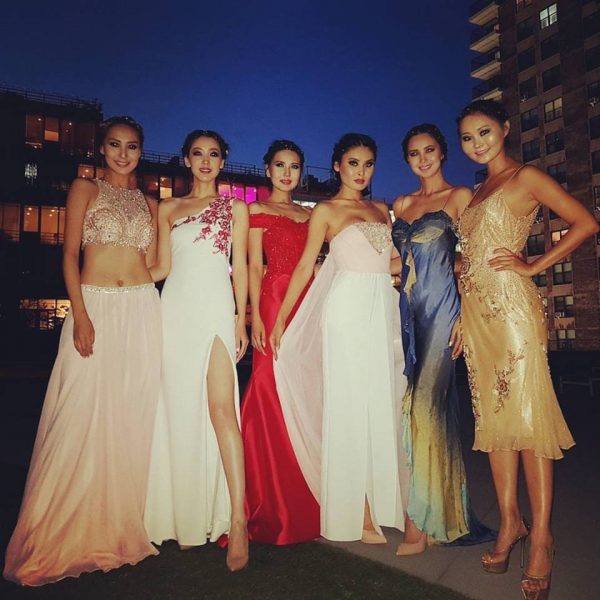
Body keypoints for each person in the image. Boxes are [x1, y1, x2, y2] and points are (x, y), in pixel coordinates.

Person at [4, 116, 161, 586]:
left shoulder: (151, 203)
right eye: (114, 145)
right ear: (101, 149)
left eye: (131, 146)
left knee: (131, 413)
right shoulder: (84, 189)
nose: (123, 154)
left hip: (142, 309)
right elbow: (68, 255)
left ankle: (123, 519)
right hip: (95, 306)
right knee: (79, 411)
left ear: (141, 151)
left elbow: (155, 265)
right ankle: (65, 526)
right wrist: (82, 313)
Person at [457, 99, 599, 600]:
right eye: (468, 138)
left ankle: (541, 538)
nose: (477, 144)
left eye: (484, 132)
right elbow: (470, 257)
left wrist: (534, 265)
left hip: (513, 312)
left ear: (505, 128)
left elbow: (585, 222)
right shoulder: (478, 192)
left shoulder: (526, 176)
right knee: (495, 422)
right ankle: (509, 522)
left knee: (529, 419)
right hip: (476, 318)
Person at [270, 133, 408, 544]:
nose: (361, 172)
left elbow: (391, 262)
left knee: (383, 401)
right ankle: (359, 511)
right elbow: (304, 267)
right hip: (346, 311)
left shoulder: (381, 209)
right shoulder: (326, 210)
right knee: (349, 406)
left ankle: (384, 502)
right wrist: (280, 320)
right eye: (353, 163)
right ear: (337, 166)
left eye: (368, 164)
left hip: (382, 308)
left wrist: (431, 261)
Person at [143, 130, 249, 571]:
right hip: (174, 313)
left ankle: (238, 520)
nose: (206, 161)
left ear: (223, 161)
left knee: (222, 410)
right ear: (186, 160)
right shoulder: (167, 208)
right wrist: (110, 274)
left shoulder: (235, 207)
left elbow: (240, 266)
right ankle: (188, 519)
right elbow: (160, 267)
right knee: (180, 411)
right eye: (198, 154)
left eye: (214, 154)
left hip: (216, 311)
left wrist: (240, 319)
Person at [391, 123, 495, 555]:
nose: (423, 159)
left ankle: (421, 523)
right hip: (406, 314)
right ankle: (436, 513)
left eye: (429, 150)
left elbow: (473, 259)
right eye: (414, 153)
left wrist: (466, 315)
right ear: (407, 159)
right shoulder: (401, 203)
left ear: (442, 153)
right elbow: (398, 261)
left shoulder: (459, 196)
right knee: (414, 407)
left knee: (426, 408)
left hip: (442, 313)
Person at [241, 140, 319, 544]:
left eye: (294, 166)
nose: (287, 173)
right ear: (267, 170)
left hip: (308, 302)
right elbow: (254, 265)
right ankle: (270, 495)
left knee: (304, 391)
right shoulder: (256, 209)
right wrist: (255, 314)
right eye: (280, 165)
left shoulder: (310, 215)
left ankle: (308, 485)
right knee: (269, 388)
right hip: (274, 301)